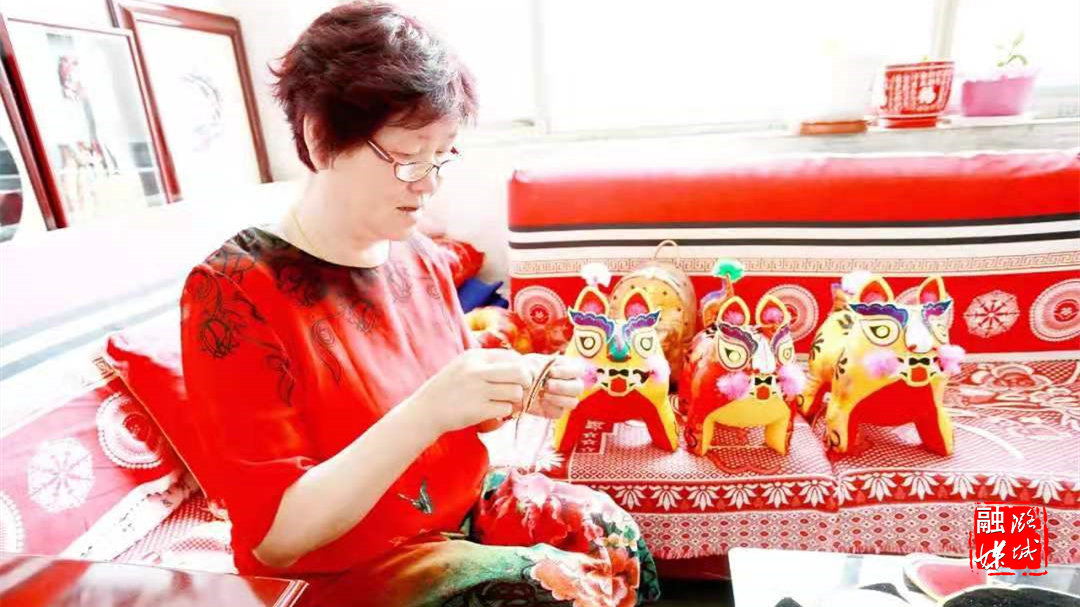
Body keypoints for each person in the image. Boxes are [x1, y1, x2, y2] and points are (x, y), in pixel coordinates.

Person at [179, 3, 661, 605]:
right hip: (347, 562)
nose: (429, 183)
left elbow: (462, 410)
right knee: (556, 591)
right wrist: (427, 411)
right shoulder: (234, 292)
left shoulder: (418, 255)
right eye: (409, 156)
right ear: (319, 139)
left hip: (456, 515)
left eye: (442, 155)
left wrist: (519, 387)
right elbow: (278, 539)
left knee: (610, 532)